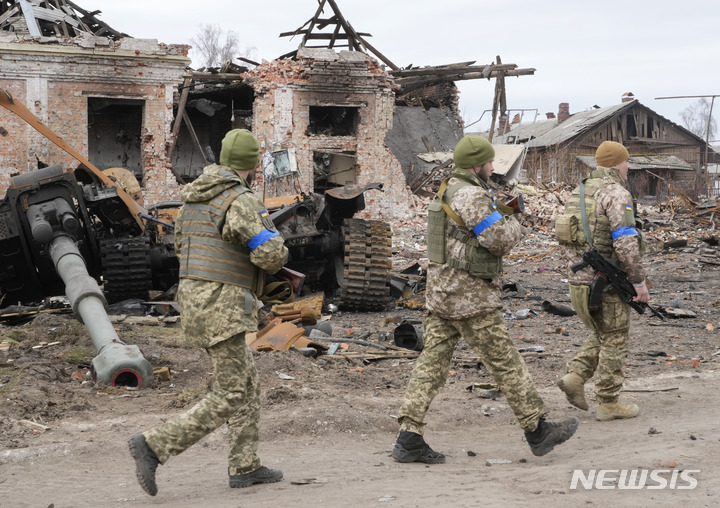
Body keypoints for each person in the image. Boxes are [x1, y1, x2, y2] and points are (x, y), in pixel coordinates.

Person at [392, 135, 579, 464]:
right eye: (490, 162)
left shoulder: (448, 189)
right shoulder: (472, 194)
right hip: (471, 298)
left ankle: (409, 436)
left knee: (431, 366)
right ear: (477, 165)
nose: (494, 168)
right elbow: (497, 240)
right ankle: (538, 430)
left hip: (442, 294)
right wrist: (518, 225)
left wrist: (501, 212)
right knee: (506, 364)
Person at [128, 129, 289, 496]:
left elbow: (183, 249)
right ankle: (154, 445)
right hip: (225, 305)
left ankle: (245, 465)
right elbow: (272, 255)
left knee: (247, 384)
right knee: (232, 392)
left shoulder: (192, 201)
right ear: (251, 165)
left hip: (197, 302)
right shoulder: (241, 200)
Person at [556, 140, 649, 421]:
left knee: (604, 334)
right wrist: (638, 282)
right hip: (604, 281)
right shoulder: (615, 193)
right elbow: (625, 242)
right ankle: (609, 401)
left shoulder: (580, 191)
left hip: (579, 282)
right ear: (615, 164)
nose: (629, 166)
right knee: (616, 338)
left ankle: (575, 377)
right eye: (626, 161)